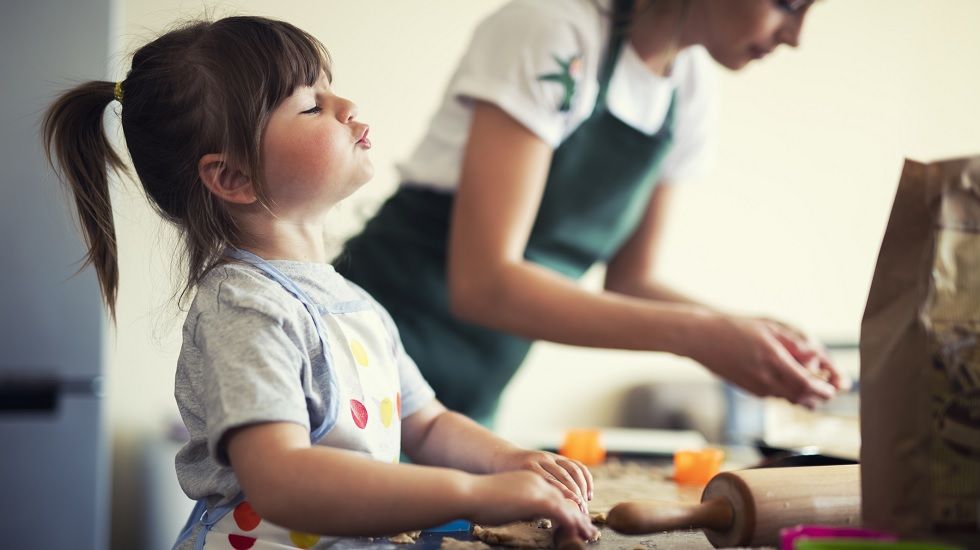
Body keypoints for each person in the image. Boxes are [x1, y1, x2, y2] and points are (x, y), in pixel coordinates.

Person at [41, 15, 598, 550]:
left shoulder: (354, 302)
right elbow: (282, 479)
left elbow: (425, 422)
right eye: (312, 105)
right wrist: (475, 493)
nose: (347, 106)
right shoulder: (244, 307)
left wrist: (508, 460)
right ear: (232, 176)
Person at [337, 0, 849, 425]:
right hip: (366, 365)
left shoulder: (689, 89)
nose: (796, 36)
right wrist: (702, 337)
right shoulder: (554, 32)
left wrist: (751, 336)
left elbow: (633, 280)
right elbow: (484, 284)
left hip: (468, 403)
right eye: (787, 3)